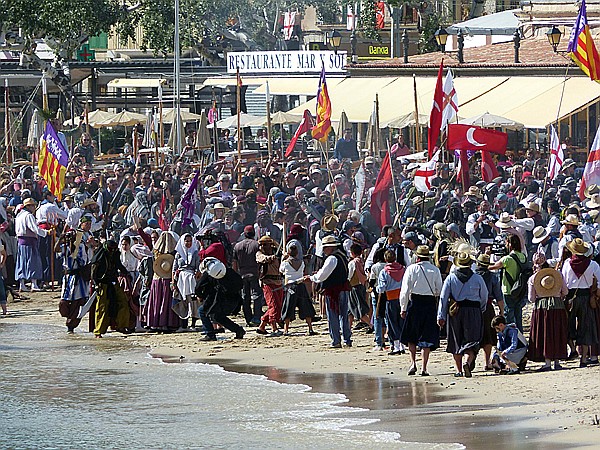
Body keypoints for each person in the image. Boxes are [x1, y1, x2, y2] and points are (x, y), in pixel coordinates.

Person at [438, 252, 488, 378]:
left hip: (456, 311)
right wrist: (481, 309)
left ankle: (459, 370)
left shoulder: (450, 278)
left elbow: (443, 298)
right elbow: (484, 296)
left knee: (456, 340)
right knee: (472, 339)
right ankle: (468, 361)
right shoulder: (477, 278)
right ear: (470, 264)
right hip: (473, 310)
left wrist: (441, 316)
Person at [399, 245, 442, 376]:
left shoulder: (411, 269)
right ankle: (424, 367)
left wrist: (403, 307)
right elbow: (439, 290)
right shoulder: (435, 270)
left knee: (412, 336)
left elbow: (405, 291)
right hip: (429, 304)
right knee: (426, 337)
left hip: (415, 303)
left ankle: (413, 363)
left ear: (417, 257)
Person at [306, 235, 352, 348]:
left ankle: (336, 340)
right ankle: (347, 339)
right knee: (343, 315)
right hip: (343, 289)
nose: (324, 250)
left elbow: (322, 276)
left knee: (333, 316)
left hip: (333, 291)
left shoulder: (332, 258)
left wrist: (312, 278)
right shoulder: (343, 256)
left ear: (330, 248)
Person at [561, 238, 600, 367]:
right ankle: (583, 358)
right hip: (586, 297)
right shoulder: (593, 264)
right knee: (586, 327)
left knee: (568, 325)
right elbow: (599, 282)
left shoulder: (567, 263)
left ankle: (572, 349)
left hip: (571, 297)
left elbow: (564, 282)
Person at [528, 253, 568, 371]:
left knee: (545, 333)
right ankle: (557, 361)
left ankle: (547, 362)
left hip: (541, 306)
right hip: (557, 305)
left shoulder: (533, 278)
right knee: (557, 332)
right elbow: (565, 291)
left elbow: (531, 298)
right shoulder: (558, 275)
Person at [196, 257, 245, 340]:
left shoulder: (208, 275)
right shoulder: (229, 271)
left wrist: (201, 296)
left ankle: (210, 334)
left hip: (219, 301)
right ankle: (238, 330)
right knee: (218, 316)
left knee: (202, 311)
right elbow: (240, 284)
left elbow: (198, 288)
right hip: (234, 301)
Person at [89, 240, 130, 338]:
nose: (112, 251)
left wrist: (127, 273)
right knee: (102, 307)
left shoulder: (115, 253)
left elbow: (119, 265)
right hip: (102, 283)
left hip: (113, 281)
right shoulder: (100, 256)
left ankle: (121, 326)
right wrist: (95, 284)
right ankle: (98, 331)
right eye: (111, 249)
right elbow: (93, 270)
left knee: (123, 302)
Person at [488, 234, 528, 332]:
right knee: (518, 315)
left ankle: (511, 336)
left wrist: (487, 256)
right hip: (520, 290)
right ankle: (520, 336)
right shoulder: (523, 256)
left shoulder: (508, 259)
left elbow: (492, 267)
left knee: (509, 316)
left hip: (509, 290)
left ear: (510, 244)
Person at [474, 253, 505, 370]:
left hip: (474, 307)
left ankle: (470, 359)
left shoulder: (474, 276)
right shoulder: (492, 277)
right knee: (488, 336)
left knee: (475, 333)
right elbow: (499, 296)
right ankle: (486, 362)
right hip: (488, 307)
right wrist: (501, 312)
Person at [279, 242, 316, 335]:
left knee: (288, 307)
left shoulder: (285, 263)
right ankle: (310, 328)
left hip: (290, 287)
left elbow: (281, 270)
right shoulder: (302, 262)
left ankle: (286, 329)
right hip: (300, 286)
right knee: (305, 306)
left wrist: (283, 259)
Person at [233, 225, 264, 327]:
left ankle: (248, 319)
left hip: (242, 273)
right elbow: (260, 259)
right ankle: (256, 318)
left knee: (245, 297)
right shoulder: (256, 245)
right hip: (254, 273)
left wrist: (236, 274)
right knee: (256, 296)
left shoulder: (237, 246)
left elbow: (234, 262)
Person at [15, 198, 47, 292]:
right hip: (29, 241)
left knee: (22, 262)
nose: (34, 207)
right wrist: (45, 232)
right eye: (32, 205)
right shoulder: (28, 216)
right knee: (33, 262)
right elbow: (34, 228)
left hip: (21, 241)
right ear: (28, 206)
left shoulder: (19, 215)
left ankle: (22, 284)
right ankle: (34, 284)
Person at [378, 250, 406, 356]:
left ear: (385, 259)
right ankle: (403, 345)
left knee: (392, 322)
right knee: (401, 321)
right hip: (402, 297)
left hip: (391, 298)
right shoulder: (403, 269)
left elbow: (381, 288)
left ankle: (396, 346)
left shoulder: (384, 271)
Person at [255, 235, 284, 335]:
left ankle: (262, 326)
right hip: (267, 282)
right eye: (261, 245)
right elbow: (261, 259)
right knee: (273, 305)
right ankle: (274, 327)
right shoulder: (259, 253)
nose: (263, 247)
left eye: (265, 244)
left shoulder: (277, 252)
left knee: (278, 305)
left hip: (278, 281)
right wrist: (270, 258)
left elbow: (284, 253)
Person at [173, 233, 201, 328]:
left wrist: (196, 274)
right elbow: (174, 269)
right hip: (181, 279)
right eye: (186, 241)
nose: (188, 243)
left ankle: (193, 323)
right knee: (182, 300)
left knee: (193, 301)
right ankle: (183, 324)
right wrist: (173, 282)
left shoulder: (195, 253)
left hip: (191, 279)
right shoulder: (178, 254)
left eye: (190, 241)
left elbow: (198, 267)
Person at [347, 243, 372, 331]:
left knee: (359, 308)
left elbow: (349, 276)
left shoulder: (352, 263)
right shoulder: (361, 261)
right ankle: (348, 328)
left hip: (354, 286)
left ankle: (371, 325)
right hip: (361, 285)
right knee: (350, 309)